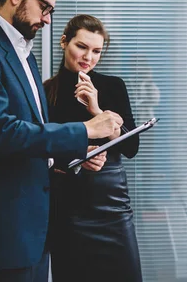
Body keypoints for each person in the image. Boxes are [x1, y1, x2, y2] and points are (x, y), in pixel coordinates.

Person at [0, 0, 123, 282]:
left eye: (51, 11)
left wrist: (73, 156)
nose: (47, 19)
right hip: (6, 228)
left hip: (34, 226)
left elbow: (36, 134)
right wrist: (85, 130)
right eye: (44, 6)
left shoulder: (25, 54)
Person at [44, 14, 142, 282]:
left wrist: (96, 110)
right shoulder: (45, 91)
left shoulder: (112, 86)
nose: (89, 56)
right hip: (67, 209)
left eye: (97, 50)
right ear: (64, 42)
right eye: (82, 47)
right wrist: (76, 155)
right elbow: (41, 147)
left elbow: (131, 146)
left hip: (111, 207)